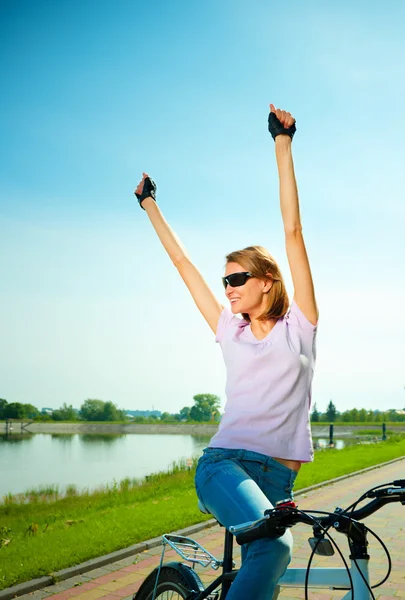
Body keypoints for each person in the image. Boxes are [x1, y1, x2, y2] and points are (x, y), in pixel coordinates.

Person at [134, 104, 318, 600]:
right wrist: (150, 204)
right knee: (275, 551)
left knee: (269, 576)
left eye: (238, 278)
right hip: (225, 465)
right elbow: (181, 262)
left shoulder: (300, 325)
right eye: (226, 281)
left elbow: (293, 232)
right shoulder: (228, 329)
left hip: (278, 477)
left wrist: (283, 144)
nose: (229, 287)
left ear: (268, 280)